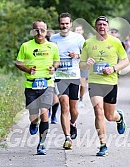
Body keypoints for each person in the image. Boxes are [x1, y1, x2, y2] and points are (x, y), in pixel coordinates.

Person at [79, 16, 129, 156]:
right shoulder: (88, 43)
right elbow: (81, 64)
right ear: (95, 27)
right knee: (98, 112)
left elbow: (125, 61)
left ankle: (119, 117)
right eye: (99, 24)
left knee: (109, 115)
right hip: (95, 82)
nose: (101, 27)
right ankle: (103, 145)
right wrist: (86, 63)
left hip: (110, 82)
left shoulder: (115, 42)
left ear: (107, 26)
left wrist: (113, 69)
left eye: (104, 24)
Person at [15, 20, 60, 155]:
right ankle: (34, 123)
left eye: (42, 30)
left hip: (47, 84)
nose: (39, 32)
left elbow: (57, 61)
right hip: (31, 85)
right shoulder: (26, 46)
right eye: (37, 30)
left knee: (44, 114)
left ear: (46, 31)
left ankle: (41, 144)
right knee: (34, 117)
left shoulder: (52, 46)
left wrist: (54, 67)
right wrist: (28, 70)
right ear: (33, 31)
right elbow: (18, 63)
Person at [50, 13, 85, 149]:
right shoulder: (53, 39)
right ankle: (67, 138)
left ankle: (73, 123)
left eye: (67, 23)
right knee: (64, 106)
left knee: (74, 109)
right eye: (62, 23)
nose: (64, 26)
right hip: (60, 77)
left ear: (71, 24)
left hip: (74, 77)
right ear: (59, 24)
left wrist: (77, 55)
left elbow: (87, 55)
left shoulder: (78, 38)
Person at [45, 29, 60, 124]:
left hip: (54, 76)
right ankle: (48, 112)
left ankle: (53, 115)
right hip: (43, 76)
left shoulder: (55, 48)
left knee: (55, 99)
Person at [74, 25, 88, 108]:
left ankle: (81, 99)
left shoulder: (85, 42)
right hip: (74, 65)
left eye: (80, 30)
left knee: (83, 82)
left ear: (82, 31)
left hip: (83, 64)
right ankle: (73, 99)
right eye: (77, 30)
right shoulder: (71, 41)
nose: (78, 31)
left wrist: (78, 56)